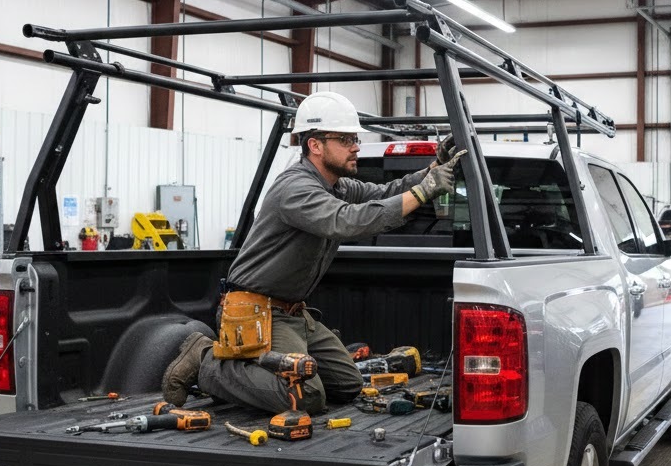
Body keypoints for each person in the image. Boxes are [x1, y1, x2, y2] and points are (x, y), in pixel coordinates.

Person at [161, 91, 460, 414]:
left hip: (292, 313)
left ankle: (250, 376)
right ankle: (205, 359)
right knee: (306, 398)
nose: (356, 146)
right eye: (346, 139)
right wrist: (425, 190)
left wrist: (433, 169)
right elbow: (346, 221)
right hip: (257, 312)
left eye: (355, 138)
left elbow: (386, 193)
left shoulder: (338, 185)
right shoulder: (296, 188)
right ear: (315, 145)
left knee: (348, 384)